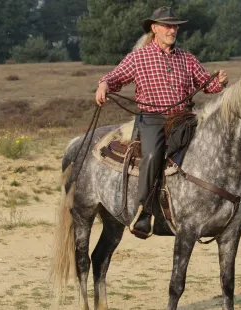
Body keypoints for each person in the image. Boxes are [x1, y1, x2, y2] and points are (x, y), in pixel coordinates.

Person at [95, 6, 228, 239]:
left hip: (185, 120)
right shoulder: (139, 57)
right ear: (154, 29)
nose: (172, 30)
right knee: (152, 156)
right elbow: (115, 77)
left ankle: (219, 210)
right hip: (153, 120)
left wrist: (220, 82)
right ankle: (144, 212)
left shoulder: (186, 58)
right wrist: (104, 85)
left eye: (175, 26)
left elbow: (207, 85)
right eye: (167, 25)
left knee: (212, 148)